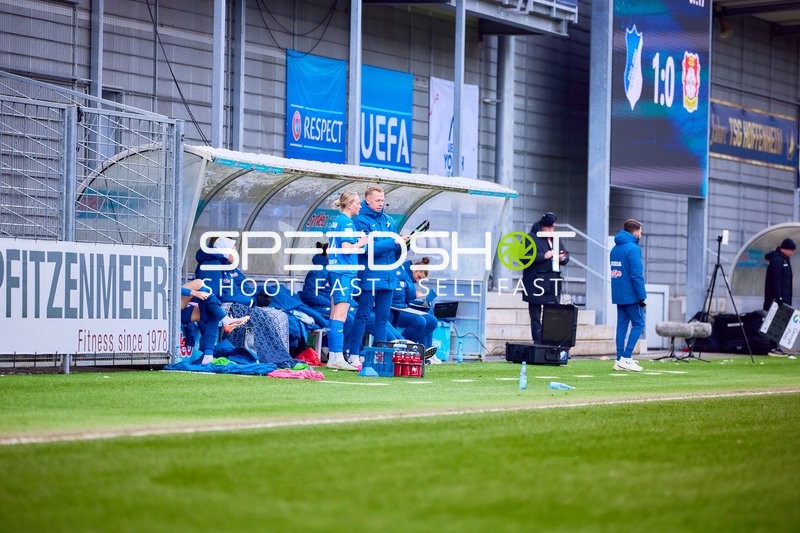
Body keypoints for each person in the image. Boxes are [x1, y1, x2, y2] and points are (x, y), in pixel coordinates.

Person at [195, 236, 299, 368]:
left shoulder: (225, 265)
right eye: (233, 249)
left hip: (222, 305)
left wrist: (254, 299)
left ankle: (278, 355)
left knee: (278, 312)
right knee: (264, 315)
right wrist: (252, 302)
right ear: (225, 250)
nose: (236, 252)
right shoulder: (212, 264)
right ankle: (262, 355)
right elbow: (217, 295)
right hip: (216, 307)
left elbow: (240, 289)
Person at [347, 185, 405, 357]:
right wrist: (393, 242)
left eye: (382, 200)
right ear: (368, 200)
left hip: (388, 276)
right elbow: (367, 249)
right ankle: (354, 355)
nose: (381, 203)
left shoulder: (389, 221)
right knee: (363, 315)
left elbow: (393, 251)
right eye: (377, 200)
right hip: (370, 276)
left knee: (383, 318)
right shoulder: (360, 221)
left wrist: (402, 245)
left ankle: (382, 355)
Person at [326, 192, 368, 370]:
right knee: (340, 316)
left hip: (335, 270)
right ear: (349, 205)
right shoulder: (347, 222)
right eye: (358, 203)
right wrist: (361, 242)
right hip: (344, 272)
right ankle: (337, 358)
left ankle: (334, 357)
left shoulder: (336, 220)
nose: (360, 206)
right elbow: (346, 248)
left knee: (334, 315)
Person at [521, 212, 569, 344]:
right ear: (542, 226)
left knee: (554, 313)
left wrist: (563, 258)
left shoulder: (556, 239)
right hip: (536, 282)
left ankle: (552, 341)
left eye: (553, 227)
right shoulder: (530, 238)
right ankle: (538, 342)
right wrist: (544, 256)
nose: (551, 230)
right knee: (535, 314)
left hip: (552, 282)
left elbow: (565, 254)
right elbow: (523, 257)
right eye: (548, 227)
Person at [180, 279, 249, 364]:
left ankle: (208, 356)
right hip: (170, 308)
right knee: (199, 283)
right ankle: (226, 320)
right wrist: (195, 293)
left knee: (212, 311)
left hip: (181, 309)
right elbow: (172, 289)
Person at [610, 218, 646, 372]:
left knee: (622, 327)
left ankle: (619, 360)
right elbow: (636, 275)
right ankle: (626, 357)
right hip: (631, 294)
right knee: (639, 323)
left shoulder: (615, 249)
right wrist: (642, 296)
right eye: (641, 232)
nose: (641, 235)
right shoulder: (633, 249)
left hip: (618, 293)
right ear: (636, 231)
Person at [391, 257, 437, 352]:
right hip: (394, 307)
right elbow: (399, 294)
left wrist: (415, 298)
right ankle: (402, 347)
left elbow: (404, 296)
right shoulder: (402, 271)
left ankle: (424, 349)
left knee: (431, 319)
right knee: (420, 321)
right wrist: (413, 295)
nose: (418, 280)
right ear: (415, 269)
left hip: (403, 306)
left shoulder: (407, 276)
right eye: (419, 277)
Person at [763, 238, 795, 355]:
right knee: (774, 323)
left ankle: (776, 346)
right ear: (785, 249)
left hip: (783, 298)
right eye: (791, 250)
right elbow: (775, 280)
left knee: (780, 323)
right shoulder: (777, 260)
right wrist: (779, 297)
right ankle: (772, 347)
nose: (793, 252)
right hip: (777, 299)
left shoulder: (784, 259)